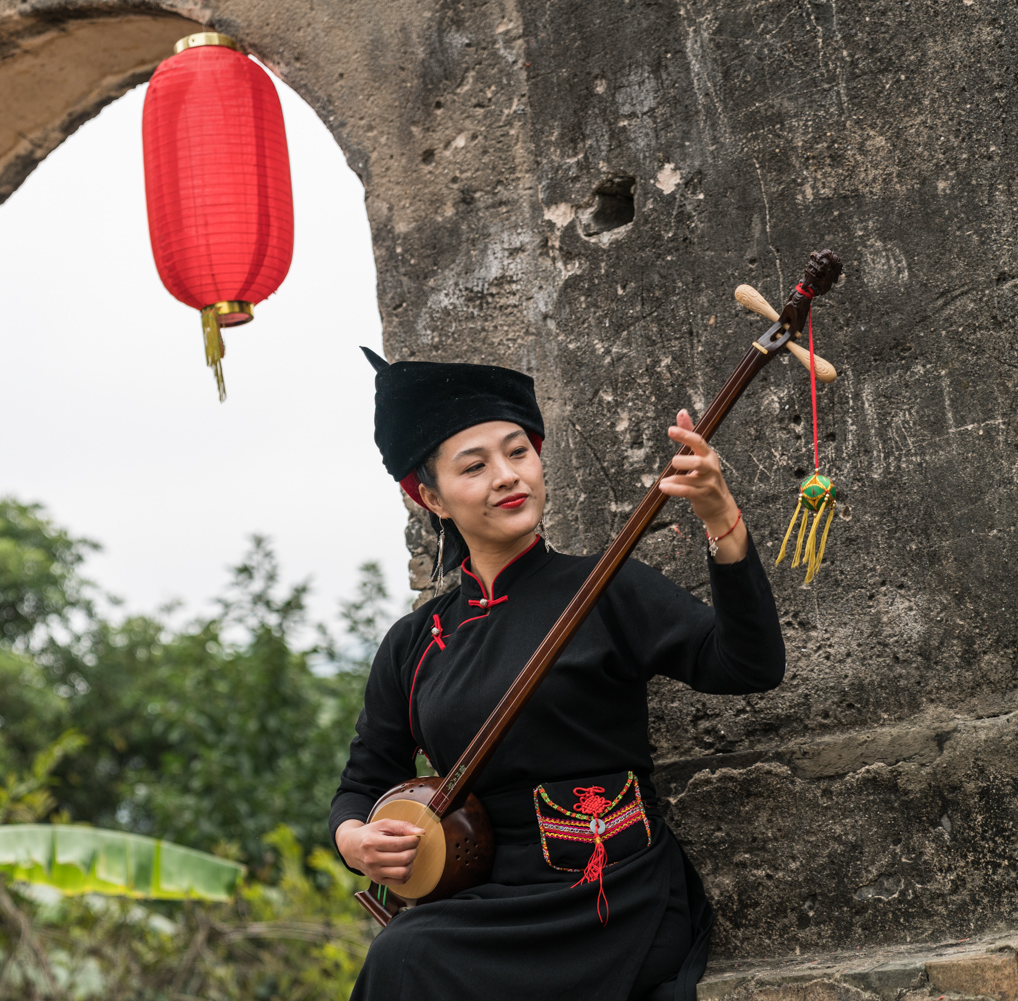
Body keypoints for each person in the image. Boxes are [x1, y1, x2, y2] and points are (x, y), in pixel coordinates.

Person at [330, 349, 786, 1001]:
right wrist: (357, 838)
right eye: (475, 465)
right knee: (404, 955)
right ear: (430, 496)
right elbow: (365, 780)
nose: (507, 476)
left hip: (610, 888)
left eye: (519, 452)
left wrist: (722, 519)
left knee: (414, 955)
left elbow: (750, 664)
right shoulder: (414, 643)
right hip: (487, 899)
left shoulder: (608, 585)